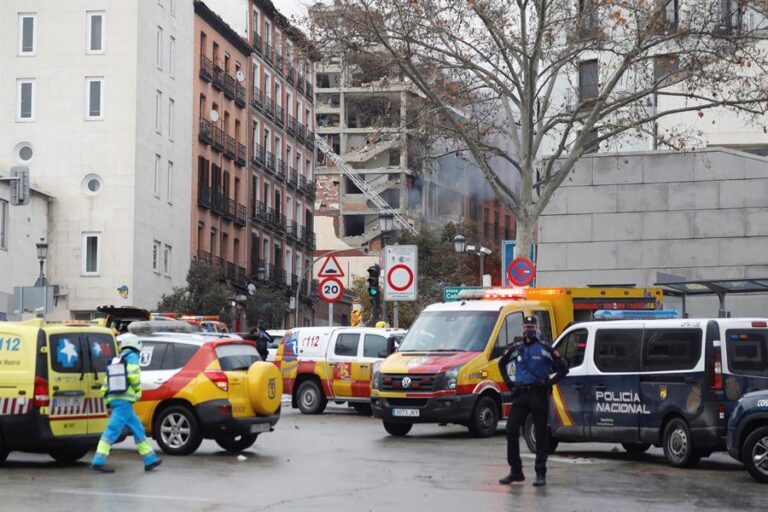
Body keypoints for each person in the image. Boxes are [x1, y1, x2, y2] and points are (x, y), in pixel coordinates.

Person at [498, 316, 568, 487]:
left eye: (531, 326)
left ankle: (540, 474)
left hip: (538, 395)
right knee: (511, 430)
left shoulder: (545, 349)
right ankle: (516, 471)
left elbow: (563, 369)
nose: (528, 329)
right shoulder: (517, 348)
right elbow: (502, 364)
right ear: (522, 328)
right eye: (526, 326)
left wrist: (548, 382)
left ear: (536, 328)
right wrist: (509, 383)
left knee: (541, 434)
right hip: (521, 395)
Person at [91, 333, 161, 473]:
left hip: (116, 399)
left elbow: (107, 380)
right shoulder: (132, 357)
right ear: (136, 347)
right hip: (124, 400)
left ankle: (150, 459)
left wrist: (107, 398)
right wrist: (136, 389)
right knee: (112, 430)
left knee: (138, 429)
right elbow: (133, 375)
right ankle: (98, 460)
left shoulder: (117, 359)